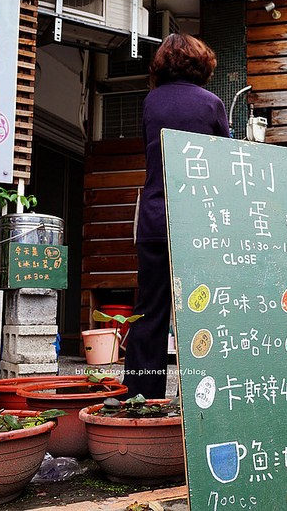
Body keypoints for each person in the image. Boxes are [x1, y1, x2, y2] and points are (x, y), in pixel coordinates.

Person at [123, 34, 229, 398]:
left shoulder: (151, 102)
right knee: (205, 311)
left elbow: (148, 155)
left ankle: (141, 396)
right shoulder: (212, 104)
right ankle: (207, 398)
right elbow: (223, 164)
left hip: (155, 218)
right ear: (202, 65)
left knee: (150, 311)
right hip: (201, 223)